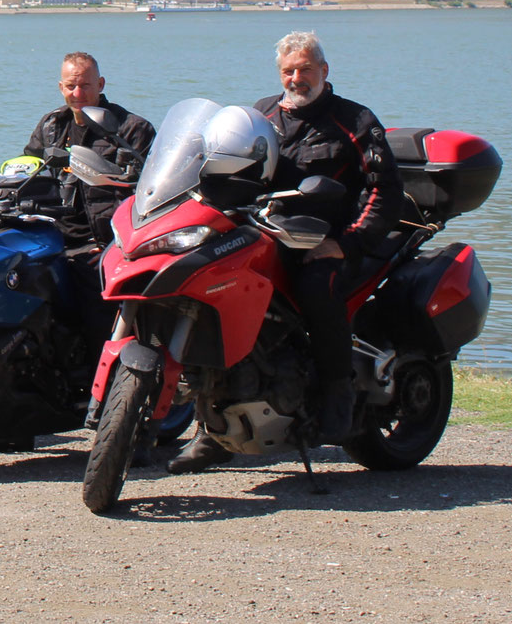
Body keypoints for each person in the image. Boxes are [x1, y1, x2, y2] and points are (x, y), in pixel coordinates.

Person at [168, 30, 404, 473]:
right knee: (215, 298)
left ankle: (338, 393)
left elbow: (385, 192)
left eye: (305, 69)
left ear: (324, 71)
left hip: (322, 241)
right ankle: (213, 425)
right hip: (262, 235)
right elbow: (218, 165)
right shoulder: (260, 114)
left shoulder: (354, 122)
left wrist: (346, 243)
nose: (297, 78)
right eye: (289, 70)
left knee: (318, 288)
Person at [22, 51, 156, 248]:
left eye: (85, 85)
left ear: (100, 84)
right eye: (70, 86)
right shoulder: (51, 125)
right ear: (61, 88)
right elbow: (26, 168)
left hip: (105, 242)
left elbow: (150, 193)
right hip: (53, 237)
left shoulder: (131, 128)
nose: (77, 93)